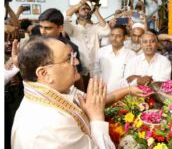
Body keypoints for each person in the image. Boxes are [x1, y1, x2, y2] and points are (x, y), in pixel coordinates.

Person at [11, 37, 148, 149]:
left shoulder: (55, 90)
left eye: (74, 56)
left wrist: (128, 90)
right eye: (68, 58)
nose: (76, 62)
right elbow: (94, 110)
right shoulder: (51, 125)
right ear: (44, 73)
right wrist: (96, 118)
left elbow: (93, 102)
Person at [64, 0, 111, 89]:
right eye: (83, 9)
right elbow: (64, 18)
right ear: (77, 13)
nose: (86, 11)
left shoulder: (95, 28)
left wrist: (96, 11)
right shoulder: (73, 28)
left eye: (88, 9)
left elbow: (107, 31)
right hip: (79, 70)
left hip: (96, 70)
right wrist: (80, 3)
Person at [39, 8, 85, 91]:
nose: (43, 31)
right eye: (41, 27)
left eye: (48, 28)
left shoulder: (70, 48)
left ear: (60, 28)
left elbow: (77, 77)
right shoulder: (36, 45)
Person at [93, 25, 136, 92]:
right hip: (101, 92)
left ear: (124, 38)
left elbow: (130, 78)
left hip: (121, 94)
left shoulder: (131, 55)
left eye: (118, 36)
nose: (114, 38)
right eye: (112, 35)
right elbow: (96, 72)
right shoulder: (101, 51)